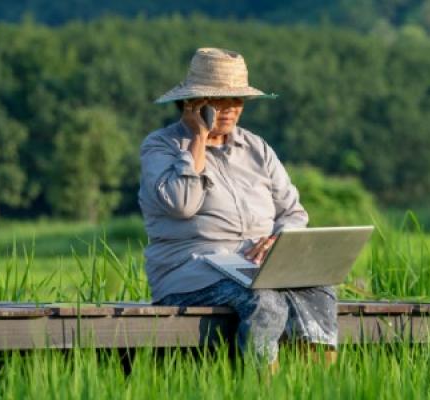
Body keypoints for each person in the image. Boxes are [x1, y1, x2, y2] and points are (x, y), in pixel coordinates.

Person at [138, 47, 338, 370]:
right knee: (265, 299)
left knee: (319, 291)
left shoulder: (256, 148)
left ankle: (317, 385)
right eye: (220, 100)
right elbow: (182, 204)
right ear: (193, 103)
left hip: (255, 268)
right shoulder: (160, 147)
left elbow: (293, 212)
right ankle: (262, 385)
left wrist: (278, 241)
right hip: (189, 272)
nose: (231, 108)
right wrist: (198, 138)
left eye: (237, 99)